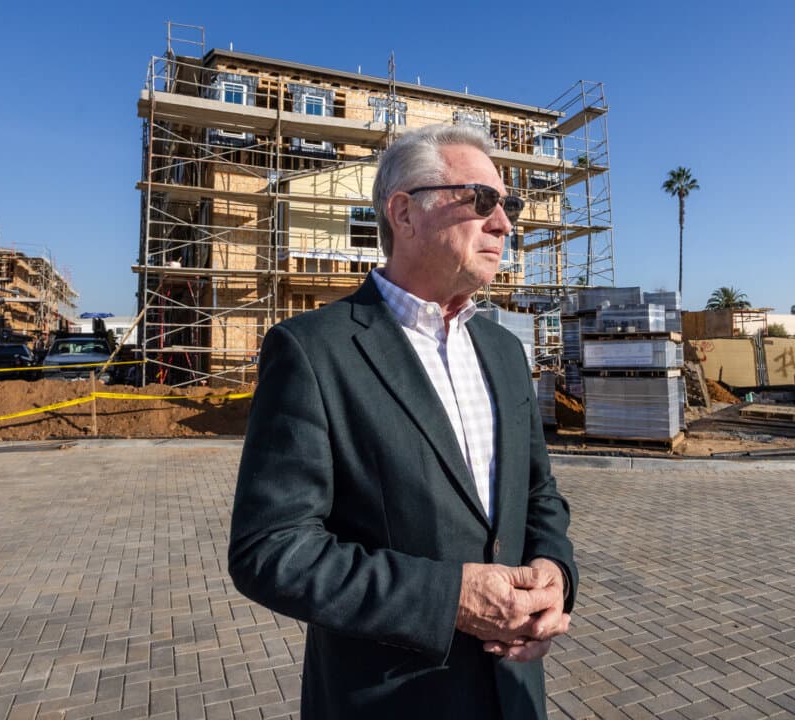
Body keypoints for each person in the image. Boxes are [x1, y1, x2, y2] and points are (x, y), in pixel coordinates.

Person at [228, 124, 577, 719]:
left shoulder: (504, 352)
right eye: (482, 200)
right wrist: (450, 599)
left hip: (514, 693)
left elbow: (538, 494)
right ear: (404, 213)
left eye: (509, 205)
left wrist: (555, 575)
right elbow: (271, 548)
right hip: (389, 700)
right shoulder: (314, 351)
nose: (504, 224)